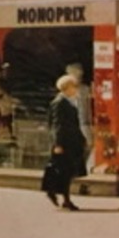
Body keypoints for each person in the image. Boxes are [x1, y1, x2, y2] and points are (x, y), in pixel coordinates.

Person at [42, 73, 87, 210]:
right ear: (67, 87)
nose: (76, 89)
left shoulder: (68, 101)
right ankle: (61, 196)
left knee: (66, 171)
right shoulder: (59, 103)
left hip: (70, 141)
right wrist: (58, 143)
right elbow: (57, 125)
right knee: (63, 171)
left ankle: (62, 196)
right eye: (74, 86)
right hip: (64, 143)